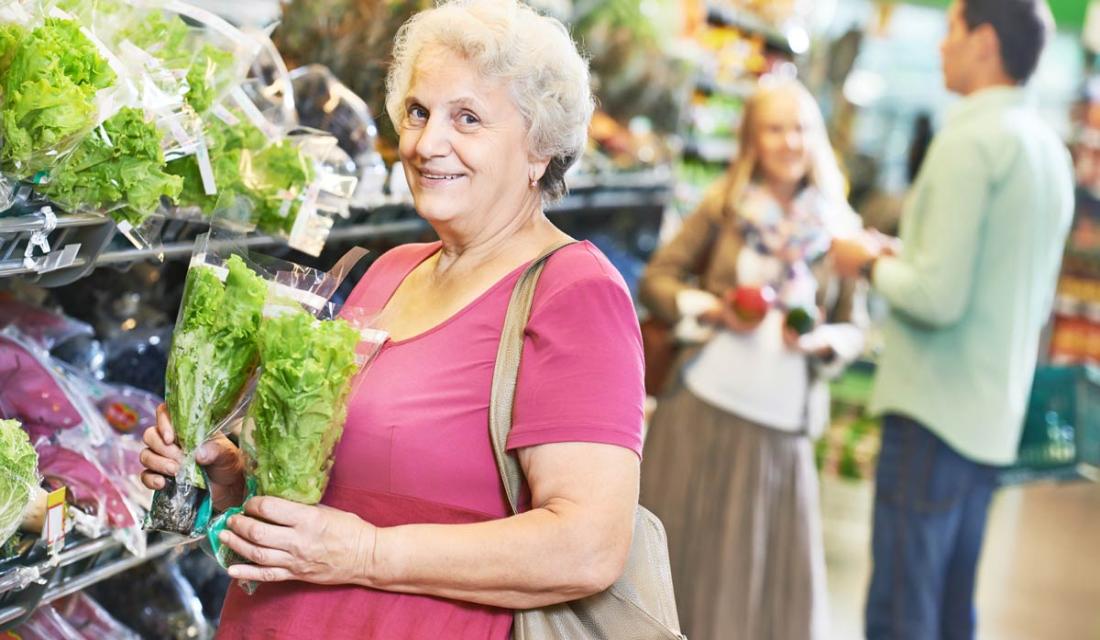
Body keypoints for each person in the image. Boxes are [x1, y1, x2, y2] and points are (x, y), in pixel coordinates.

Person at [139, 2, 646, 638]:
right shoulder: (390, 271)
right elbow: (331, 503)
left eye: (469, 118)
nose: (428, 144)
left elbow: (587, 547)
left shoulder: (573, 292)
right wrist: (227, 475)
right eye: (418, 112)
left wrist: (365, 554)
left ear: (539, 149)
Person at [830, 1, 1074, 638]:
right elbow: (993, 278)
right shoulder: (1045, 147)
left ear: (984, 42)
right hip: (991, 418)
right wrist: (904, 257)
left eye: (952, 31)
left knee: (900, 610)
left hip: (932, 413)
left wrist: (865, 261)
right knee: (949, 607)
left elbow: (938, 298)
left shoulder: (969, 140)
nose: (942, 47)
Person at [638, 78, 868, 640]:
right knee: (675, 567)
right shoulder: (724, 209)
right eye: (775, 128)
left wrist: (822, 342)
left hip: (780, 428)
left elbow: (854, 327)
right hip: (702, 405)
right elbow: (658, 279)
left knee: (754, 587)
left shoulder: (839, 232)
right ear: (752, 141)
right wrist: (712, 309)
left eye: (801, 128)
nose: (790, 141)